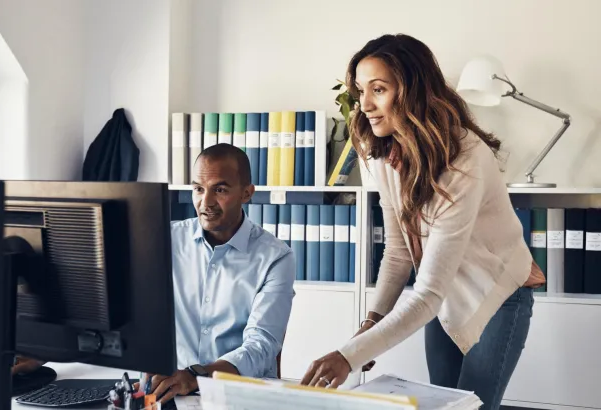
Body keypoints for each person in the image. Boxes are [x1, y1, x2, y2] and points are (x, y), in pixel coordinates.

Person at [300, 34, 543, 410]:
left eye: (378, 89)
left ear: (413, 89)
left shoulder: (466, 159)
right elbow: (399, 252)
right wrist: (371, 321)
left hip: (499, 293)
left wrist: (348, 355)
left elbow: (426, 294)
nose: (364, 104)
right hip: (444, 295)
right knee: (439, 405)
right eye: (361, 90)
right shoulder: (381, 154)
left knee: (473, 406)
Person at [149, 143, 296, 404]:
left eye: (220, 190)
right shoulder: (165, 240)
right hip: (171, 391)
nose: (205, 203)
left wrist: (197, 376)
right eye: (198, 189)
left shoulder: (276, 257)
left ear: (247, 193)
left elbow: (261, 346)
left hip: (241, 395)